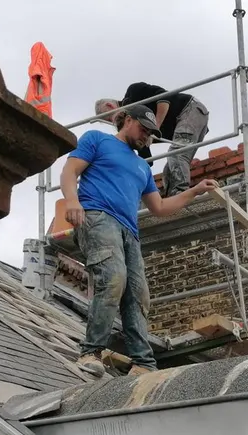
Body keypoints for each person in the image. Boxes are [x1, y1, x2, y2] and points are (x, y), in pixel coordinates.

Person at [61, 103, 217, 376]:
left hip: (129, 231)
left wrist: (195, 191)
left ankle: (143, 364)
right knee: (113, 279)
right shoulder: (97, 139)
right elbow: (70, 171)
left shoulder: (142, 167)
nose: (147, 137)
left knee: (138, 294)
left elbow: (159, 208)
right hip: (97, 217)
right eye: (144, 130)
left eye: (151, 134)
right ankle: (91, 352)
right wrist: (72, 201)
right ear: (128, 120)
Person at [120, 82, 210, 197]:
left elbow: (164, 96)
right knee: (170, 170)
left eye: (109, 118)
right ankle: (171, 197)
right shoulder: (130, 127)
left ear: (110, 107)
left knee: (176, 154)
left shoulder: (133, 94)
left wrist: (155, 128)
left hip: (190, 110)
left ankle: (182, 194)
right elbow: (147, 158)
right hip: (191, 120)